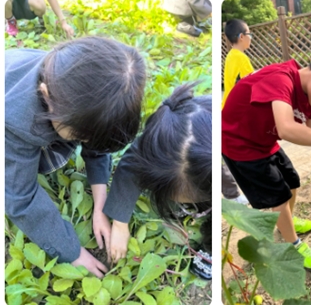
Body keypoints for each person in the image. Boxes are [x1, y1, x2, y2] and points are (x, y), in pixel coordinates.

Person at [5, 37, 146, 278]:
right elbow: (22, 200)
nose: (88, 144)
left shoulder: (81, 81)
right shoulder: (15, 121)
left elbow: (97, 142)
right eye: (82, 136)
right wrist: (71, 252)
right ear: (46, 95)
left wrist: (100, 205)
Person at [222, 44, 311, 271]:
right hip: (240, 144)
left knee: (291, 180)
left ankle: (286, 221)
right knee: (277, 196)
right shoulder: (281, 80)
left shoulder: (307, 92)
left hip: (263, 142)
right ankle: (293, 246)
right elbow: (287, 129)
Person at [104, 84, 212, 279]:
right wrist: (120, 224)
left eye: (184, 199)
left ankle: (209, 245)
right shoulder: (158, 142)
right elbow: (129, 168)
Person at [221, 18, 254, 207]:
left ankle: (234, 192)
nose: (251, 38)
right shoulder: (240, 57)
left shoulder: (232, 55)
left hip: (228, 109)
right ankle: (236, 194)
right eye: (249, 34)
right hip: (234, 114)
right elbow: (253, 83)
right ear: (241, 37)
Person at [5, 0, 75, 39]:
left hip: (29, 5)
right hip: (10, 7)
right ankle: (11, 21)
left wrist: (63, 22)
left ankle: (43, 19)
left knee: (38, 0)